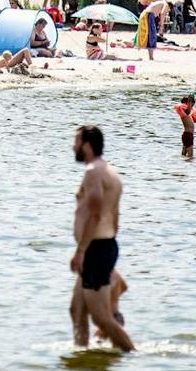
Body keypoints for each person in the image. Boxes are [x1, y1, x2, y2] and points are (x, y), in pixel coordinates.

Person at [69, 124, 133, 352]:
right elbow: (114, 217)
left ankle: (132, 355)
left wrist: (81, 251)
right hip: (101, 246)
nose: (73, 146)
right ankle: (82, 355)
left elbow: (95, 213)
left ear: (87, 145)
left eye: (76, 142)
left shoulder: (93, 172)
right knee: (77, 310)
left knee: (101, 317)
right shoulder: (109, 171)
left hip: (94, 249)